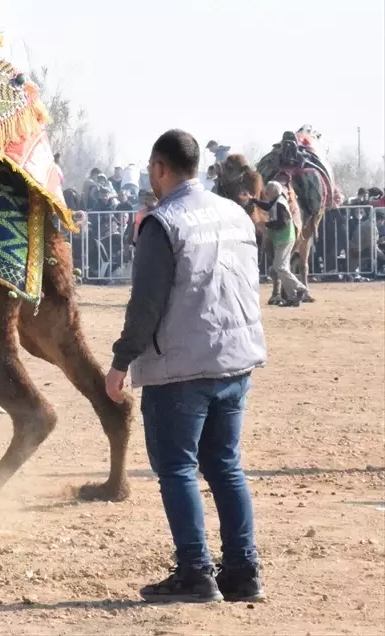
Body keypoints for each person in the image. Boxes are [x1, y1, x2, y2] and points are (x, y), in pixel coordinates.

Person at [106, 129, 266, 604]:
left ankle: (195, 572)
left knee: (177, 468)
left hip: (181, 367)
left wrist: (120, 361)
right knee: (226, 466)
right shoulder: (235, 212)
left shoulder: (164, 222)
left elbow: (146, 302)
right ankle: (243, 572)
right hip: (236, 360)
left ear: (159, 168)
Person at [246, 181, 308, 307]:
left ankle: (300, 288)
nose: (266, 193)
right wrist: (254, 200)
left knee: (280, 267)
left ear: (274, 192)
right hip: (281, 239)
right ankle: (292, 297)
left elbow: (282, 222)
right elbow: (268, 207)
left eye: (268, 190)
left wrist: (265, 225)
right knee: (280, 268)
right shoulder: (276, 202)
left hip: (284, 239)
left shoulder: (280, 204)